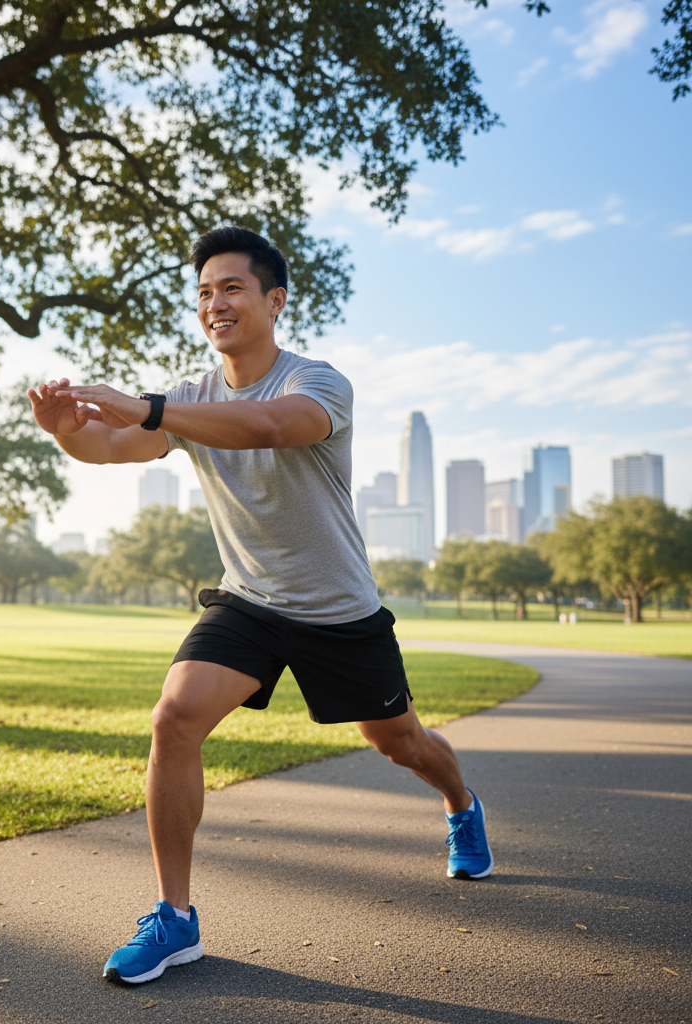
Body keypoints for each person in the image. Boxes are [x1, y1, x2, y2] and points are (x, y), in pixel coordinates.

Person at [26, 226, 493, 987]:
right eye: (205, 292)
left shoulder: (318, 383)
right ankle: (174, 919)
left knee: (400, 741)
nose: (215, 303)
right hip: (249, 599)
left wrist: (146, 408)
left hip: (340, 611)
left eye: (232, 288)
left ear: (275, 301)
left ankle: (461, 803)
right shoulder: (187, 396)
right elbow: (113, 449)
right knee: (174, 717)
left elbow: (271, 428)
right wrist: (67, 436)